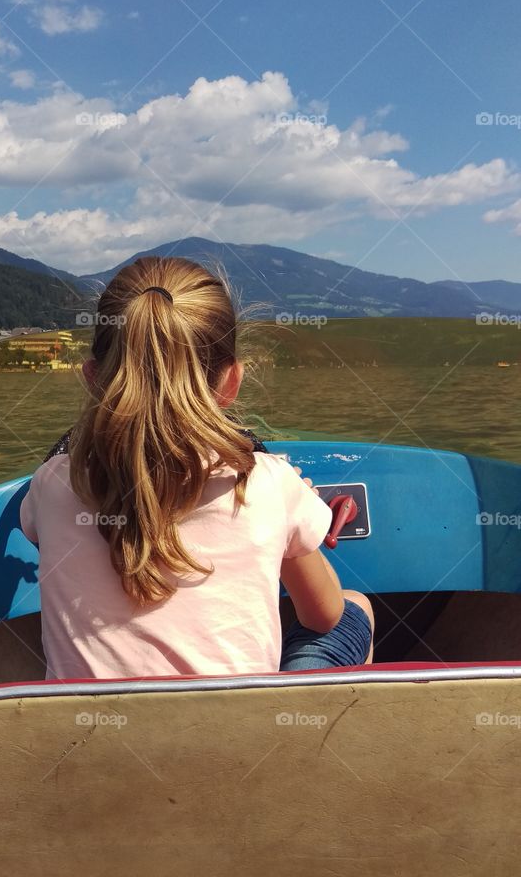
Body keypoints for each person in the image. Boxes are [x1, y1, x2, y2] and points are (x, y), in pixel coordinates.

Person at [20, 256, 373, 681]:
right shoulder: (268, 483)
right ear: (232, 380)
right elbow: (322, 615)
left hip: (88, 723)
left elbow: (43, 532)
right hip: (242, 724)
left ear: (92, 377)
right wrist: (288, 518)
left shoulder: (53, 483)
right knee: (355, 607)